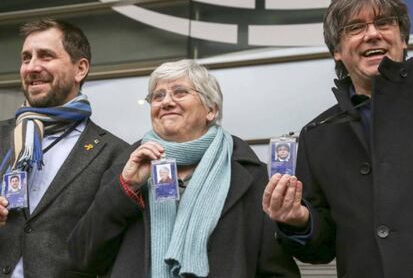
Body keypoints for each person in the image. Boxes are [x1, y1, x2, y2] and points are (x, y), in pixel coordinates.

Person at [68, 59, 300, 277]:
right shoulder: (125, 167)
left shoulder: (250, 174)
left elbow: (277, 269)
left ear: (211, 110)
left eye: (180, 92)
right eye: (158, 96)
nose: (166, 102)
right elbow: (83, 257)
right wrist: (125, 189)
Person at [262, 0, 413, 278]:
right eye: (355, 28)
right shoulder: (317, 135)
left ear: (402, 38)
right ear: (337, 52)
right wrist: (298, 221)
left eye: (383, 23)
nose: (372, 34)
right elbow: (321, 249)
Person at [0, 19, 128, 277]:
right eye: (26, 58)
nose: (32, 67)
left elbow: (108, 247)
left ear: (80, 69)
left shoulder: (114, 154)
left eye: (46, 56)